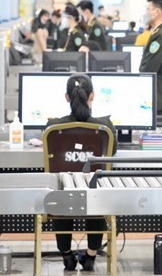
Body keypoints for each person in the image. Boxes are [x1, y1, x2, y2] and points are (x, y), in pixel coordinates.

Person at [46, 73, 116, 272]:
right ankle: (91, 256)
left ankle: (67, 256)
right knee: (94, 190)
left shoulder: (52, 128)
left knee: (62, 190)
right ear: (92, 95)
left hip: (61, 201)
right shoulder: (105, 128)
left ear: (67, 97)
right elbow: (112, 152)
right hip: (95, 199)